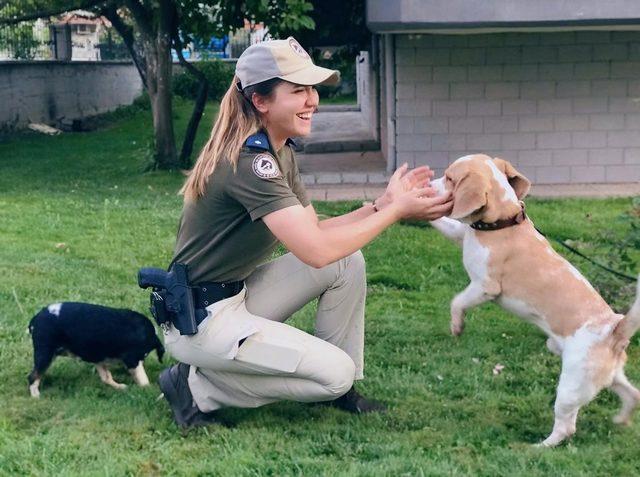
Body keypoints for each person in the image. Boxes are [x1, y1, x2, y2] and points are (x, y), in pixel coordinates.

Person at [157, 37, 453, 428]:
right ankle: (195, 387)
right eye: (298, 90)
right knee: (335, 372)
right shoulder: (251, 163)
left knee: (346, 261)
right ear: (261, 101)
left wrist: (380, 206)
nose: (312, 99)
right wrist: (397, 211)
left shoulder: (278, 150)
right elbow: (314, 251)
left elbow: (312, 231)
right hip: (201, 321)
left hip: (234, 297)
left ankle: (336, 390)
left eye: (311, 88)